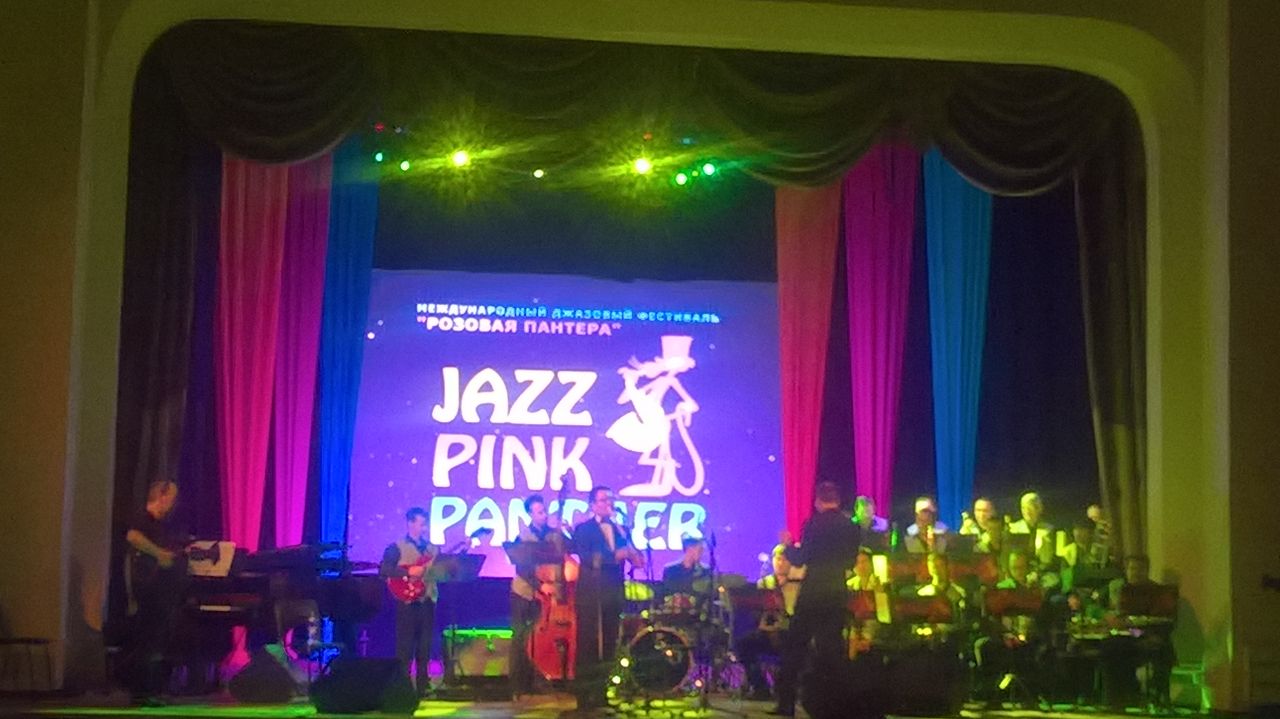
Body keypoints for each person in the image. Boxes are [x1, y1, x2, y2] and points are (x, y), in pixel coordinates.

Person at [773, 481, 862, 717]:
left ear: (818, 502)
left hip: (813, 592)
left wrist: (787, 545)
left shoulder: (813, 524)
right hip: (836, 592)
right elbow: (850, 562)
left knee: (795, 647)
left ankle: (786, 704)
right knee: (832, 650)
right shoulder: (851, 527)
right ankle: (836, 705)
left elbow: (801, 559)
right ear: (838, 500)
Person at [570, 486, 643, 711]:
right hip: (591, 594)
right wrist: (614, 556)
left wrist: (633, 554)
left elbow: (635, 558)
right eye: (603, 500)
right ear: (593, 505)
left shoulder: (620, 529)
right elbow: (587, 558)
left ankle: (602, 693)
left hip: (612, 593)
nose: (608, 504)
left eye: (610, 499)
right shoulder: (583, 529)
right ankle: (584, 696)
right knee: (589, 644)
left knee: (610, 643)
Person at [121, 480, 182, 705]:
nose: (173, 503)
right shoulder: (143, 518)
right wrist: (159, 554)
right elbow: (133, 537)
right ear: (162, 496)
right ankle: (141, 692)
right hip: (145, 588)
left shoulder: (160, 525)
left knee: (155, 639)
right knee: (147, 639)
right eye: (172, 497)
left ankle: (151, 690)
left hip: (156, 589)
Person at [508, 494, 564, 697]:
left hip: (546, 597)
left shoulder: (554, 536)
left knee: (540, 639)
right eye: (539, 512)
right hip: (524, 592)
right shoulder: (522, 538)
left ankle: (540, 678)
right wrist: (540, 585)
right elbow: (522, 567)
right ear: (530, 514)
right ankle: (518, 684)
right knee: (521, 638)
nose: (544, 515)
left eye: (544, 511)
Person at [380, 507, 440, 697]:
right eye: (421, 524)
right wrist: (407, 572)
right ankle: (403, 687)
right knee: (405, 646)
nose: (424, 528)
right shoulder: (396, 547)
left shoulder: (432, 548)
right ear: (410, 523)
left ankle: (423, 686)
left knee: (425, 646)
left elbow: (443, 568)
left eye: (425, 524)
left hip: (427, 600)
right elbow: (384, 570)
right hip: (406, 602)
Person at [738, 545, 801, 701]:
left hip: (790, 632)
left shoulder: (798, 584)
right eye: (778, 559)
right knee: (743, 644)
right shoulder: (764, 583)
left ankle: (788, 689)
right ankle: (760, 687)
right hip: (767, 630)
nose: (780, 563)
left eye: (785, 560)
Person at [1007, 492, 1055, 568]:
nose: (1027, 511)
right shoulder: (1013, 529)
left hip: (1042, 569)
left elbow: (1049, 557)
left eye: (1030, 507)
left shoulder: (1049, 529)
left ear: (1039, 509)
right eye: (1023, 508)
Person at [661, 535, 709, 604]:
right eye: (700, 550)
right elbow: (666, 593)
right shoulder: (671, 570)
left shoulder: (705, 570)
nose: (702, 554)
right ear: (689, 550)